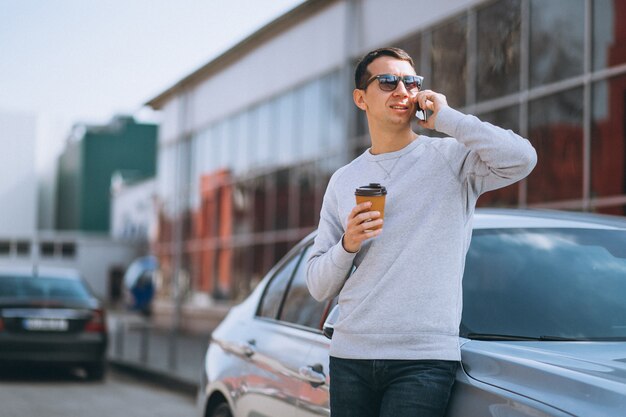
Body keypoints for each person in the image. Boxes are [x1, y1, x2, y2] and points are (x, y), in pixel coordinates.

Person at [306, 47, 537, 417]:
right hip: (351, 355)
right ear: (360, 98)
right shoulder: (343, 180)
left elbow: (523, 158)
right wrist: (347, 244)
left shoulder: (452, 159)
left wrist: (447, 118)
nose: (402, 90)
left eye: (410, 82)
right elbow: (317, 285)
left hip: (423, 359)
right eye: (387, 81)